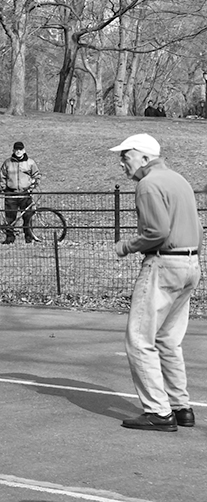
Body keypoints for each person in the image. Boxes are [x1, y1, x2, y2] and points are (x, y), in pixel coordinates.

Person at [110, 133, 201, 432]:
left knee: (139, 339)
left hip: (164, 263)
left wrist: (126, 246)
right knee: (168, 339)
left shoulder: (148, 185)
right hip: (191, 263)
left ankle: (158, 412)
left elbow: (157, 232)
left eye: (126, 156)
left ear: (145, 157)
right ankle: (180, 406)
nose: (122, 163)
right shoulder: (178, 179)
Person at [0, 141, 40, 244]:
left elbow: (36, 175)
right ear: (13, 150)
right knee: (10, 217)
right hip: (11, 194)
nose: (18, 151)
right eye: (16, 149)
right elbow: (2, 175)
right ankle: (9, 239)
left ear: (24, 150)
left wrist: (32, 187)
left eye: (20, 149)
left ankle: (29, 238)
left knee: (27, 217)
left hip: (25, 194)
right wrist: (4, 188)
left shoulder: (30, 163)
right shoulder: (7, 162)